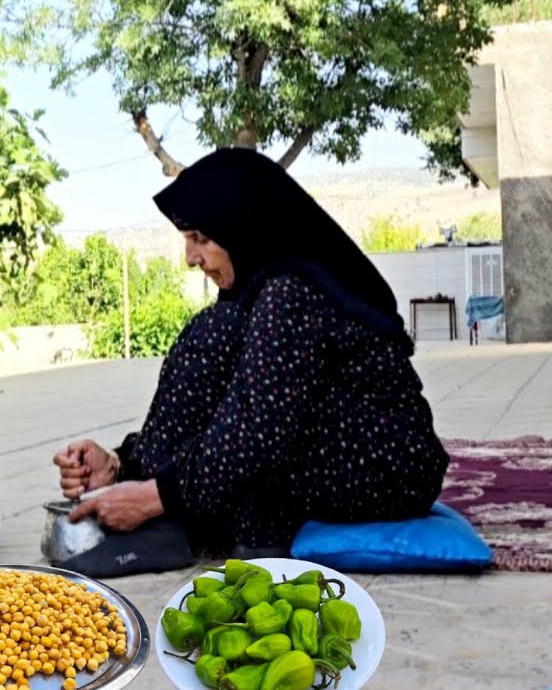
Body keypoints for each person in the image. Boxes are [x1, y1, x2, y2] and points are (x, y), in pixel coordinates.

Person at [50, 147, 449, 579]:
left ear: (244, 228)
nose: (190, 257)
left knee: (245, 462)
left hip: (388, 463)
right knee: (214, 335)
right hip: (331, 446)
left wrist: (156, 496)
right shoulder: (260, 295)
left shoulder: (292, 293)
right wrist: (122, 465)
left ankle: (176, 516)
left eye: (201, 239)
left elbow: (257, 429)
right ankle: (153, 491)